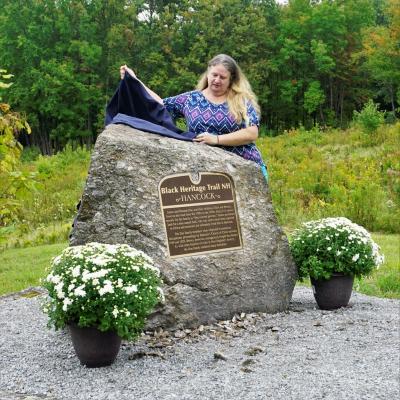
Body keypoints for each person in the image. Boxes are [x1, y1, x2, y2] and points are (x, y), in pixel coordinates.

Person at [120, 54, 268, 179]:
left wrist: (216, 140)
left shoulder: (241, 100)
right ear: (208, 74)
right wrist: (135, 81)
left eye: (223, 77)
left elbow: (251, 133)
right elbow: (159, 104)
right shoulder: (191, 99)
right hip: (207, 170)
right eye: (214, 75)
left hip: (246, 168)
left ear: (231, 80)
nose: (217, 80)